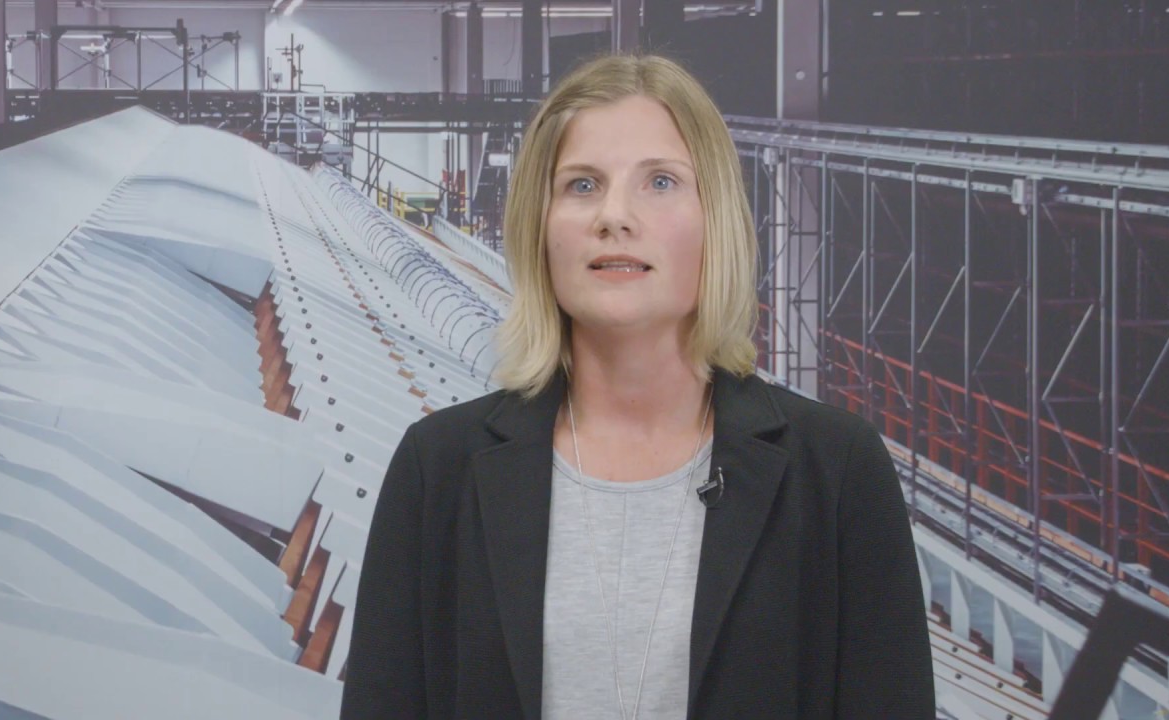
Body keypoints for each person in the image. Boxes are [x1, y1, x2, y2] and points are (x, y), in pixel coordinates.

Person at [340, 53, 935, 720]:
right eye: (582, 185)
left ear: (717, 220)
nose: (615, 216)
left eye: (660, 181)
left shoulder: (835, 471)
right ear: (540, 228)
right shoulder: (439, 469)